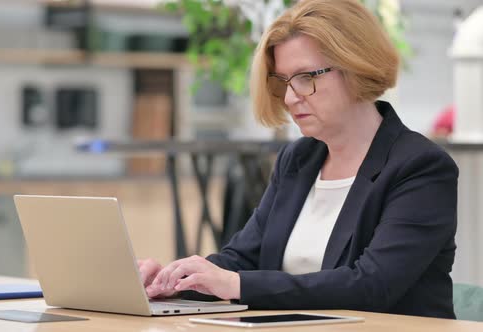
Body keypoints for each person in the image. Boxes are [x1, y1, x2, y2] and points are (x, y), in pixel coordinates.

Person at [139, 0, 458, 319]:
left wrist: (235, 284)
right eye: (283, 81)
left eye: (306, 77)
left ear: (356, 67)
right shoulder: (299, 158)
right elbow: (242, 260)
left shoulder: (421, 167)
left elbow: (372, 286)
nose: (290, 98)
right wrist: (172, 281)